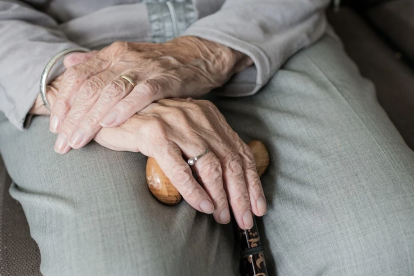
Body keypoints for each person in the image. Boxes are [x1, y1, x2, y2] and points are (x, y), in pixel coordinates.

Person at [0, 0, 413, 275]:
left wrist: (203, 52)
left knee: (392, 244)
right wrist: (74, 88)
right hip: (63, 52)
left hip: (266, 25)